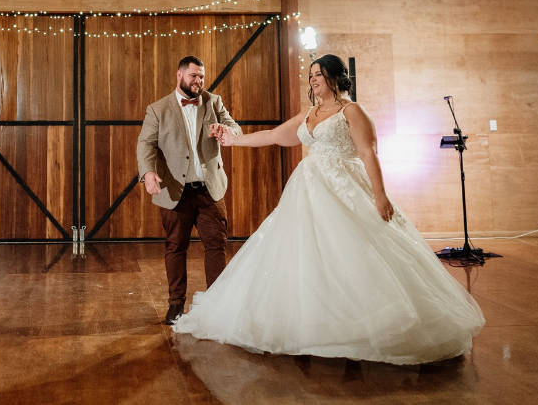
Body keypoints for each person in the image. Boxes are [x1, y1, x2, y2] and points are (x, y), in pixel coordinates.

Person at [172, 54, 485, 365]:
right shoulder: (311, 112)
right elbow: (275, 136)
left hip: (345, 189)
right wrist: (231, 140)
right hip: (308, 190)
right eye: (310, 76)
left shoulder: (352, 110)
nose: (313, 80)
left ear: (335, 77)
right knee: (306, 255)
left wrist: (380, 195)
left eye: (318, 74)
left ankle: (370, 323)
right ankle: (311, 323)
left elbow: (368, 152)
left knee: (355, 252)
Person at [137, 55, 242, 325]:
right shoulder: (157, 109)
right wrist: (148, 173)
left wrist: (225, 129)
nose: (199, 81)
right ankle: (175, 305)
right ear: (179, 75)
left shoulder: (213, 101)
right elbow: (145, 145)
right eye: (193, 76)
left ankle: (217, 305)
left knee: (216, 245)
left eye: (202, 77)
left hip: (210, 190)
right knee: (175, 247)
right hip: (174, 191)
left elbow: (235, 128)